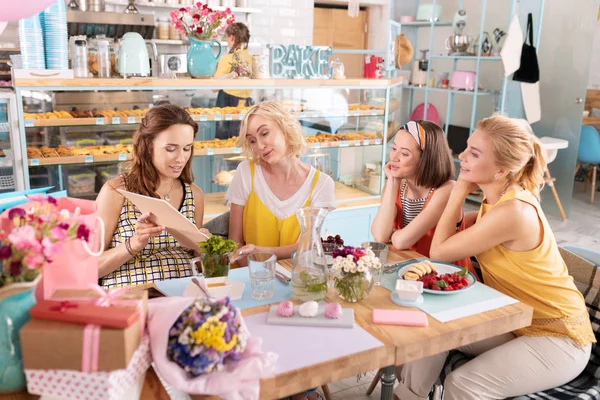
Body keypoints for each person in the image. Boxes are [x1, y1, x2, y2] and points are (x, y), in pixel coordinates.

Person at [395, 116, 595, 400]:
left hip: (558, 338)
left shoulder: (514, 212)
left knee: (463, 383)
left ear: (502, 170)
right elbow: (455, 230)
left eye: (474, 153)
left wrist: (460, 189)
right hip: (514, 322)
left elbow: (440, 249)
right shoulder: (497, 203)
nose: (461, 156)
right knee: (433, 332)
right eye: (466, 148)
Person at [96, 104, 209, 288]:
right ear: (148, 146)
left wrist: (205, 250)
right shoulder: (116, 191)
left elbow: (203, 269)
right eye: (171, 149)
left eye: (187, 148)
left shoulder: (194, 194)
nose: (181, 158)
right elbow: (89, 268)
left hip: (185, 296)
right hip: (133, 298)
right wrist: (134, 243)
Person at [226, 101, 335, 267]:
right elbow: (235, 242)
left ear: (285, 128)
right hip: (249, 275)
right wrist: (255, 276)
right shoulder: (246, 172)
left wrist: (259, 251)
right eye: (252, 141)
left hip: (298, 278)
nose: (260, 146)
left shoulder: (321, 184)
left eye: (264, 133)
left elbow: (305, 245)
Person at [371, 120, 473, 271]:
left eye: (405, 153)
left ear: (426, 159)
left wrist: (394, 235)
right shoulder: (395, 186)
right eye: (394, 148)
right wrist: (392, 181)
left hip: (447, 278)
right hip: (411, 270)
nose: (394, 157)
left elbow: (401, 242)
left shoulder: (446, 190)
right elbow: (380, 236)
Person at [214, 22, 254, 140]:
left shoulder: (227, 59)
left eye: (227, 38)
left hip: (227, 102)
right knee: (241, 140)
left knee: (224, 143)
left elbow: (214, 87)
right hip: (245, 104)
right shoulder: (252, 60)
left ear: (232, 37)